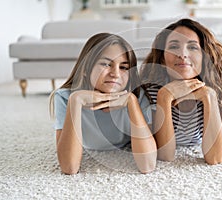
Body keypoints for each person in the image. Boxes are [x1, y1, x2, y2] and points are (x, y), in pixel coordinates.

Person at [140, 18, 222, 164]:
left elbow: (215, 158)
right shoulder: (150, 93)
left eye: (192, 47)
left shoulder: (220, 89)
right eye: (174, 46)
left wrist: (209, 96)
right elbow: (165, 155)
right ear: (162, 59)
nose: (183, 54)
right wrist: (164, 96)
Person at [49, 33, 157, 175]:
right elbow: (69, 167)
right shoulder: (65, 97)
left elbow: (147, 165)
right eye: (106, 64)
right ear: (86, 68)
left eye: (124, 67)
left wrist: (132, 102)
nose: (116, 74)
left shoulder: (137, 95)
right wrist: (76, 101)